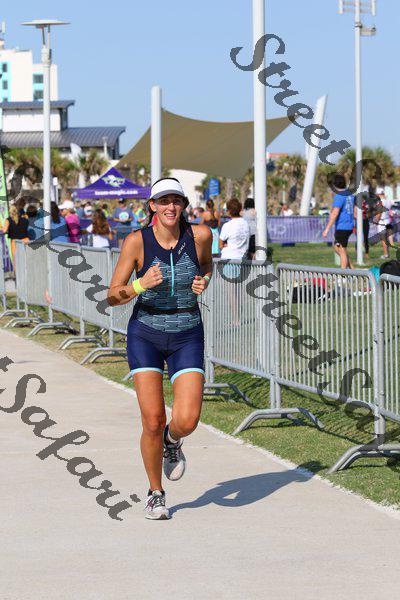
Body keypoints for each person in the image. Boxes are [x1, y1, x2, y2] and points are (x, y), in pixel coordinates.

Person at [108, 177, 212, 520]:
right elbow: (112, 295)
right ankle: (155, 493)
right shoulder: (137, 241)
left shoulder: (200, 236)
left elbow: (207, 265)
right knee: (153, 419)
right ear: (152, 205)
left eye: (176, 200)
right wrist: (140, 284)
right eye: (163, 201)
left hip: (187, 333)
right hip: (146, 334)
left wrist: (204, 279)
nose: (170, 207)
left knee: (188, 419)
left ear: (183, 205)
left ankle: (172, 441)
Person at [322, 174, 356, 269]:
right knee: (338, 248)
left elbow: (335, 213)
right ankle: (352, 269)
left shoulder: (339, 196)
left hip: (342, 226)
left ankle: (343, 274)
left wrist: (326, 229)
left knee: (341, 250)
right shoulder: (350, 195)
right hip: (349, 225)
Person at [374, 187, 394, 259]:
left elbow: (379, 213)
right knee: (387, 238)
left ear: (379, 194)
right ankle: (387, 254)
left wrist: (376, 221)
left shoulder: (380, 202)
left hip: (382, 221)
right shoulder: (388, 201)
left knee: (383, 239)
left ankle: (385, 254)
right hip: (388, 220)